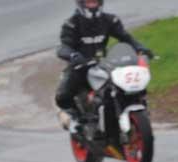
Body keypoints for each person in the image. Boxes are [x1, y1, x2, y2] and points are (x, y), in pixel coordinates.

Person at [55, 0, 153, 132]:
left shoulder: (110, 20)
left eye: (95, 2)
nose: (92, 5)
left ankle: (133, 107)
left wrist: (141, 49)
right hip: (80, 66)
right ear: (81, 3)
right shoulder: (71, 24)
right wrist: (73, 56)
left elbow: (126, 38)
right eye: (89, 2)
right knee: (63, 94)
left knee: (124, 85)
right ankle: (76, 119)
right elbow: (64, 47)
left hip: (104, 64)